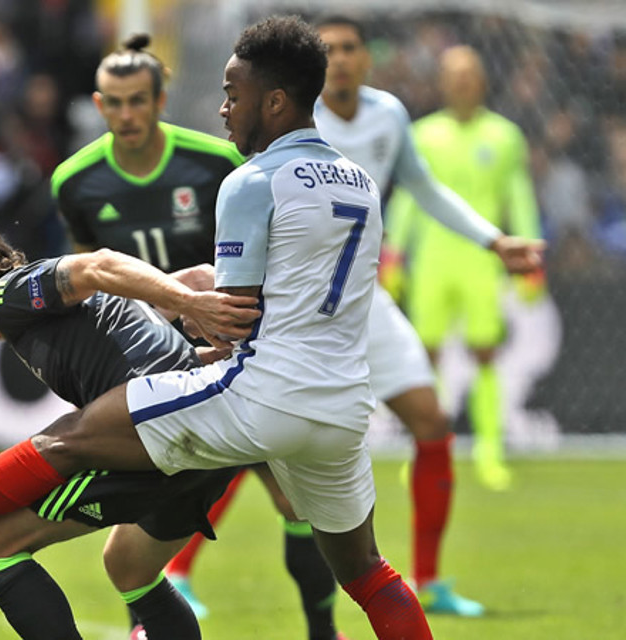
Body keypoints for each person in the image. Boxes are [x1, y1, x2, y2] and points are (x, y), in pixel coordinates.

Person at [0, 16, 435, 639]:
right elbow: (288, 294)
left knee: (68, 440)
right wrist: (191, 297)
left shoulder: (250, 181)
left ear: (275, 101)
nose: (222, 109)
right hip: (344, 408)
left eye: (234, 95)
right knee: (366, 573)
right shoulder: (362, 185)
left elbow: (231, 315)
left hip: (265, 395)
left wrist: (196, 311)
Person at [158, 16, 548, 621]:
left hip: (359, 301)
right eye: (330, 49)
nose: (339, 59)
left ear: (366, 60)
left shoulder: (385, 114)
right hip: (296, 311)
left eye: (349, 48)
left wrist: (493, 241)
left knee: (429, 419)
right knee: (253, 437)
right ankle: (179, 570)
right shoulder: (288, 118)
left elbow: (425, 189)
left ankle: (432, 577)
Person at [52, 33, 343, 640]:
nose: (127, 114)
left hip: (236, 355)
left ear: (160, 99)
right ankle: (146, 628)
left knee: (294, 505)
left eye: (138, 100)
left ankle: (322, 630)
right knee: (137, 516)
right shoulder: (75, 182)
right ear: (99, 106)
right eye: (113, 102)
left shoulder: (217, 164)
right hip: (145, 365)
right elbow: (87, 281)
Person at [0, 219, 247, 640]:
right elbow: (168, 362)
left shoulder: (8, 292)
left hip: (156, 433)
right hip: (209, 444)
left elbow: (100, 263)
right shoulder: (74, 318)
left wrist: (189, 301)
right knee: (129, 565)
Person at [383, 44, 544, 493]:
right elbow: (411, 197)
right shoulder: (423, 134)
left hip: (481, 261)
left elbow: (519, 195)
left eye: (469, 73)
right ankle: (427, 449)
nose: (461, 82)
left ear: (482, 80)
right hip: (433, 259)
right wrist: (394, 252)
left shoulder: (504, 135)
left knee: (485, 352)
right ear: (441, 82)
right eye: (453, 74)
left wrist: (531, 259)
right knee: (425, 355)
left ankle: (490, 450)